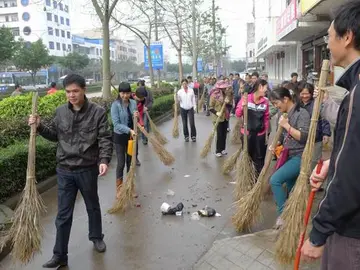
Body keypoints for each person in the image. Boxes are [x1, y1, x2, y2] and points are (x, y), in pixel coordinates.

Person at [28, 74, 113, 268]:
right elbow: (54, 136)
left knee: (92, 205)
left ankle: (96, 236)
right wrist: (39, 126)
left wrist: (104, 160)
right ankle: (60, 255)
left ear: (84, 90)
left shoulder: (97, 112)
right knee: (63, 214)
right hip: (65, 169)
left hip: (87, 168)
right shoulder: (60, 112)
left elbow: (105, 138)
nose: (71, 95)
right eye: (68, 92)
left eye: (75, 91)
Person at [301, 2, 360, 269]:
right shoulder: (352, 86)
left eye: (329, 35)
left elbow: (352, 171)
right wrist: (331, 164)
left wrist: (318, 232)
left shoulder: (357, 92)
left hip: (351, 229)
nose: (327, 43)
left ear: (347, 37)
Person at [268, 87, 310, 229]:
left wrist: (286, 126)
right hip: (287, 155)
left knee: (275, 180)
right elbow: (280, 136)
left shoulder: (301, 113)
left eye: (276, 103)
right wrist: (275, 145)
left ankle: (283, 215)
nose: (276, 106)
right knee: (292, 188)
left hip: (299, 156)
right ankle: (295, 218)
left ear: (285, 99)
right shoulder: (282, 114)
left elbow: (304, 137)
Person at [235, 79, 270, 175]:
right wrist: (243, 106)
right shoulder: (246, 98)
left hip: (260, 134)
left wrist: (266, 134)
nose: (267, 90)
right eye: (266, 87)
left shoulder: (265, 102)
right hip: (247, 133)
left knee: (259, 158)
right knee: (247, 156)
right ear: (260, 87)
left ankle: (257, 178)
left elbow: (266, 118)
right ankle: (247, 176)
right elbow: (237, 114)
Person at [111, 82, 139, 199]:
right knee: (121, 163)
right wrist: (129, 130)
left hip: (131, 137)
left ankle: (130, 187)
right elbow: (116, 124)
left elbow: (135, 118)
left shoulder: (133, 103)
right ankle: (119, 189)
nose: (125, 95)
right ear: (119, 93)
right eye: (123, 93)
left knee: (130, 163)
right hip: (120, 137)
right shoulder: (115, 105)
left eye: (127, 93)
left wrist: (136, 116)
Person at [298, 82, 331, 169]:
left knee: (314, 161)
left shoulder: (316, 103)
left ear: (312, 93)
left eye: (307, 93)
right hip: (301, 139)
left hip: (316, 137)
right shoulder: (296, 104)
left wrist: (326, 133)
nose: (304, 96)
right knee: (301, 161)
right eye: (302, 93)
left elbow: (324, 118)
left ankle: (311, 180)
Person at [208, 80, 232, 157]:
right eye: (223, 88)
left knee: (224, 134)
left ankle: (222, 149)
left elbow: (230, 105)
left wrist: (228, 102)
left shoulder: (226, 95)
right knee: (219, 134)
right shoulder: (214, 95)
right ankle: (218, 150)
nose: (224, 89)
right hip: (217, 118)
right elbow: (210, 107)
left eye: (225, 87)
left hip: (225, 117)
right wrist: (216, 112)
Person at [137, 80, 153, 145]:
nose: (139, 87)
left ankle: (145, 139)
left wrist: (147, 107)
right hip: (139, 112)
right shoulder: (137, 92)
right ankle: (144, 138)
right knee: (141, 125)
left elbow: (151, 101)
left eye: (140, 85)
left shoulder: (149, 92)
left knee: (145, 125)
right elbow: (135, 102)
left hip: (146, 111)